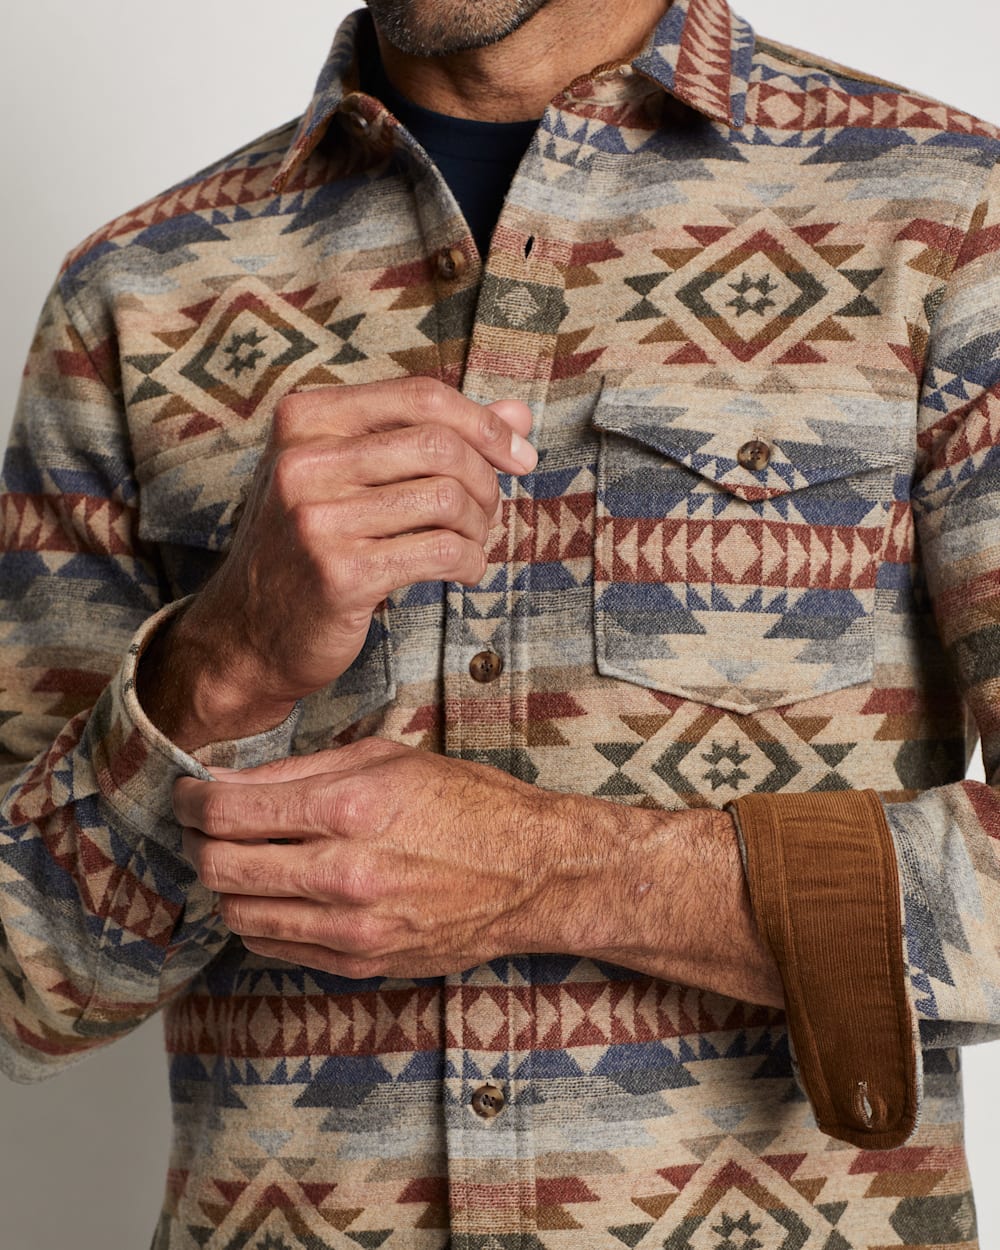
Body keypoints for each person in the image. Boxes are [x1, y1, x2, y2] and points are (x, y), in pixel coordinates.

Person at [1, 0, 998, 1244]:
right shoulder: (138, 287)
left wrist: (565, 876)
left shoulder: (951, 218)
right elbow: (22, 987)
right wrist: (227, 661)